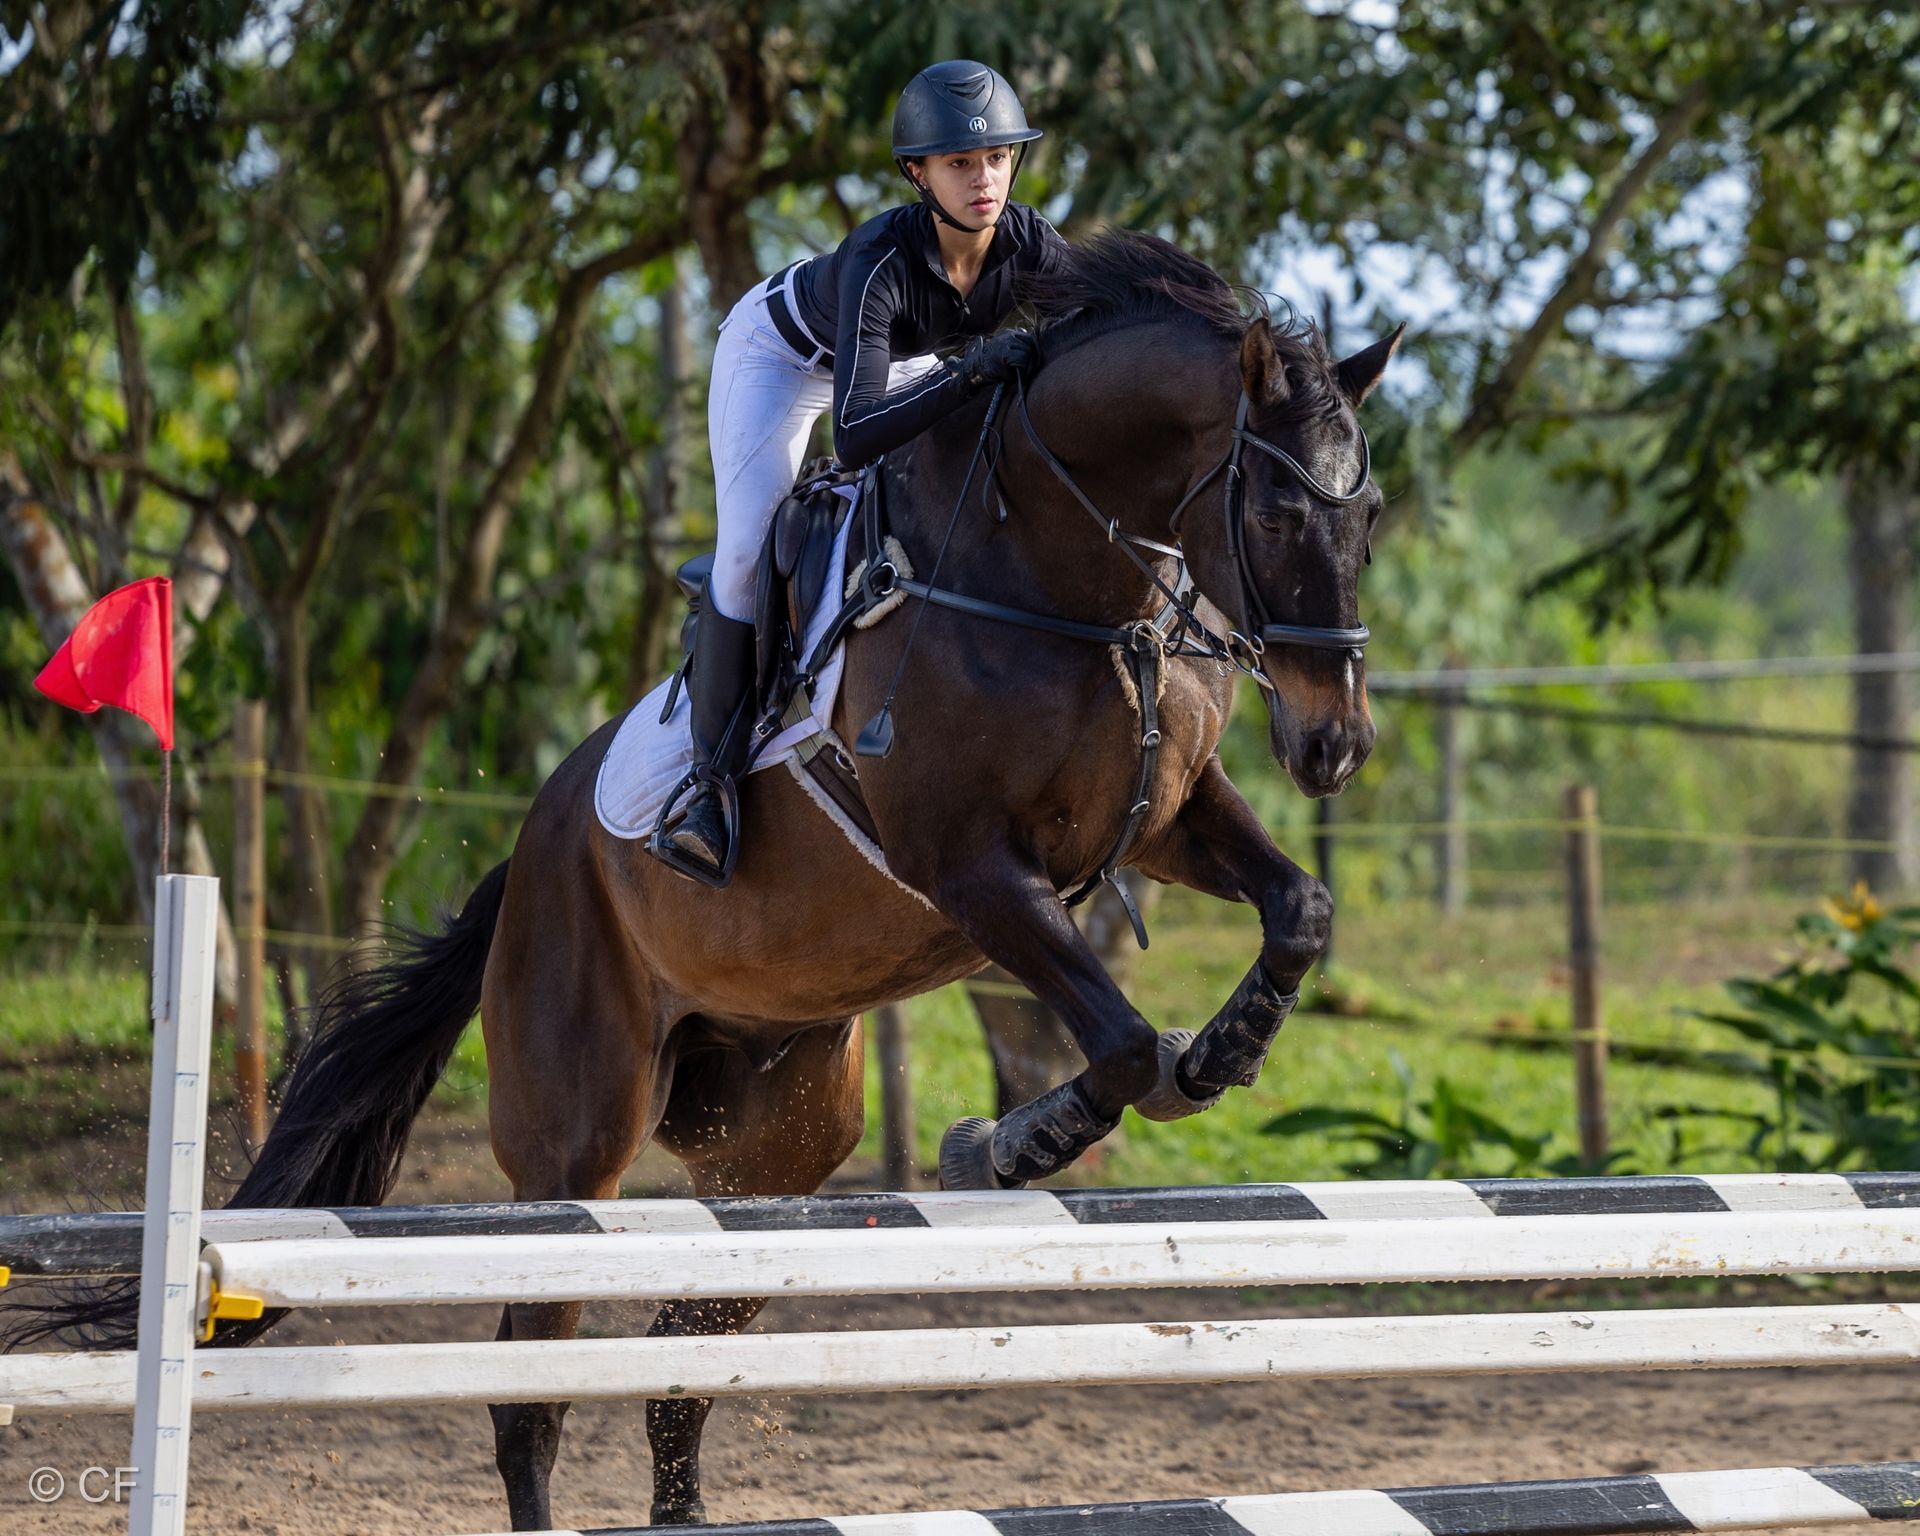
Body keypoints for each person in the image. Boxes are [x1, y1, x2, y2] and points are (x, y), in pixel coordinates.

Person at [653, 60, 1071, 886]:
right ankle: (708, 787)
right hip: (783, 358)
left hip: (903, 366)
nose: (984, 179)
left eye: (996, 160)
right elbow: (854, 439)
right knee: (745, 548)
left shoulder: (1029, 244)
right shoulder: (881, 260)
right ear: (918, 173)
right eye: (958, 164)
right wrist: (975, 370)